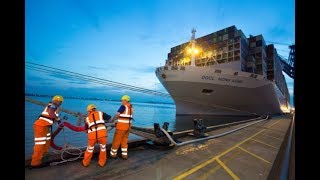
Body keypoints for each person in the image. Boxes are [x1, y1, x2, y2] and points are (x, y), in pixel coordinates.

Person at [30, 95, 64, 167]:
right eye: (61, 102)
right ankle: (35, 163)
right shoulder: (53, 105)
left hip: (46, 127)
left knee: (47, 142)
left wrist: (57, 120)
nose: (61, 103)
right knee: (40, 144)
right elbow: (51, 113)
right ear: (57, 101)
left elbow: (51, 116)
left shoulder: (54, 106)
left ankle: (42, 157)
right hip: (41, 126)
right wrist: (58, 120)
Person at [110, 95, 133, 160]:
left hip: (121, 127)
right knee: (124, 141)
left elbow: (117, 114)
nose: (121, 101)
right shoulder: (131, 107)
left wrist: (112, 120)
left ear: (125, 100)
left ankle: (113, 155)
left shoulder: (123, 106)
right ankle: (124, 155)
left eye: (122, 100)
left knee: (116, 141)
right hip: (128, 127)